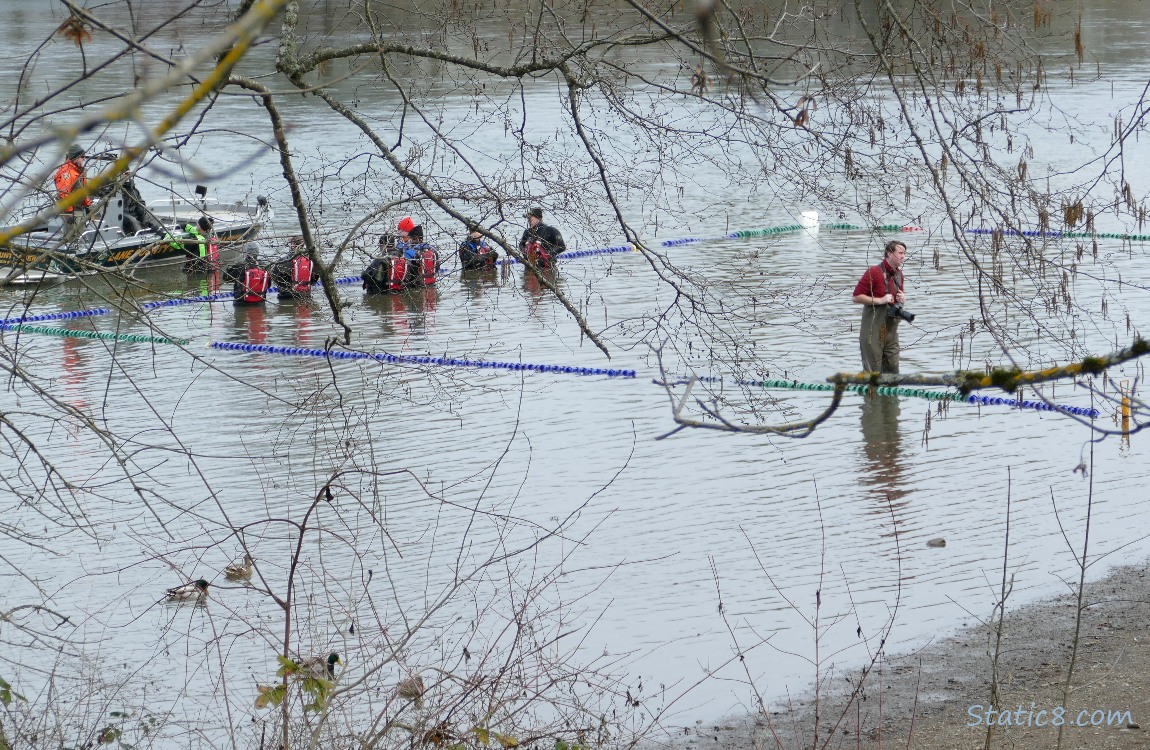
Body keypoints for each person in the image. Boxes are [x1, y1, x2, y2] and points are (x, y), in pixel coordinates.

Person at [852, 240, 909, 374]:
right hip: (873, 332)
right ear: (890, 254)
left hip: (891, 333)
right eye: (900, 253)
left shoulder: (899, 275)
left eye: (904, 254)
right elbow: (856, 297)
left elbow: (895, 301)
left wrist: (902, 300)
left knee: (893, 373)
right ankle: (871, 394)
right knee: (873, 375)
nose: (903, 257)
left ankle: (889, 395)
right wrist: (880, 300)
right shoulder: (874, 272)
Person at [54, 144, 91, 224]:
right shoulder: (66, 172)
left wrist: (87, 205)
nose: (84, 159)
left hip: (78, 209)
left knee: (80, 231)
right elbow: (63, 193)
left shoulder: (79, 171)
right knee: (73, 233)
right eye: (82, 157)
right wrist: (69, 212)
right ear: (76, 158)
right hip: (69, 211)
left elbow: (83, 190)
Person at [269, 235, 314, 300]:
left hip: (286, 296)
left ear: (293, 245)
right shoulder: (310, 261)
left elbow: (273, 277)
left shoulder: (284, 260)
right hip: (305, 295)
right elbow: (314, 279)